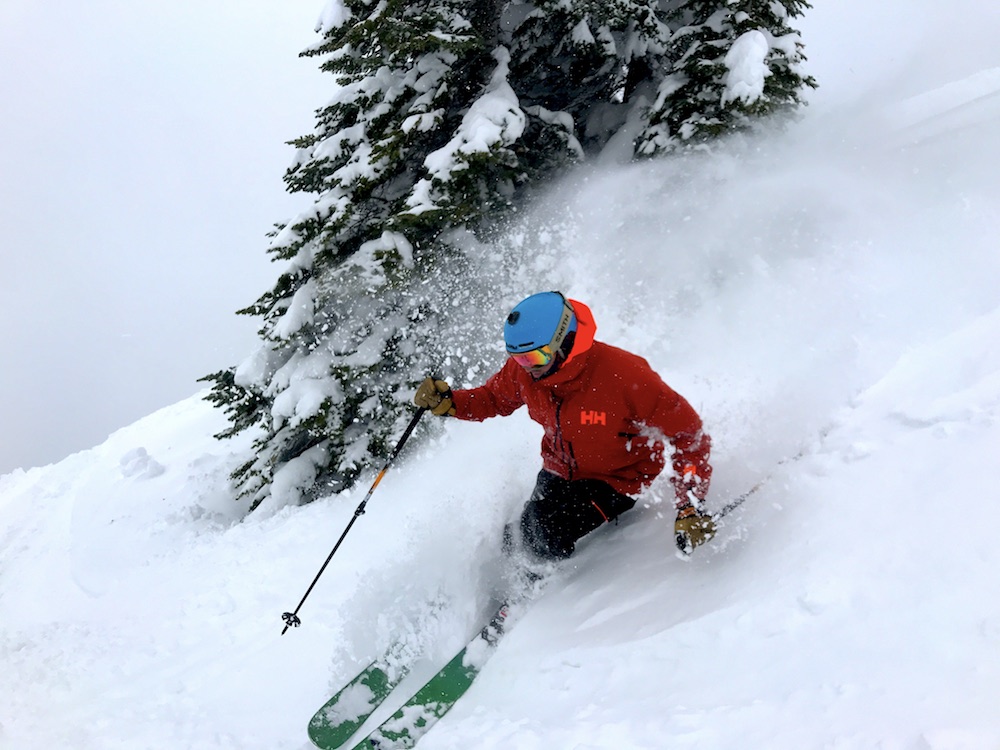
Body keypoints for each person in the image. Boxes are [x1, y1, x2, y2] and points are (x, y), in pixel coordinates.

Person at [414, 291, 715, 560]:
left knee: (548, 533)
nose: (527, 367)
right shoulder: (527, 371)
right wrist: (451, 403)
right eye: (518, 359)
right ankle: (505, 580)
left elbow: (689, 436)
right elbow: (493, 398)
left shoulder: (625, 377)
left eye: (534, 357)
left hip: (616, 480)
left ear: (565, 342)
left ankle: (550, 596)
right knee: (519, 532)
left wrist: (689, 504)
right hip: (559, 468)